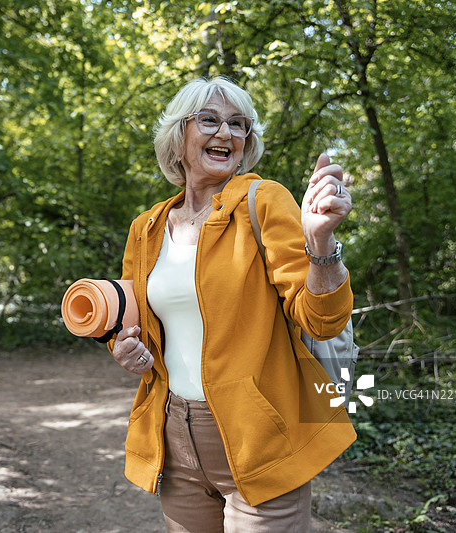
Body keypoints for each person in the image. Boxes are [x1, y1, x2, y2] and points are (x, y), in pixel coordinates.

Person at [109, 76, 357, 532]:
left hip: (258, 440)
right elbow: (132, 326)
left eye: (238, 125)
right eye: (209, 120)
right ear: (178, 135)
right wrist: (124, 348)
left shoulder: (262, 202)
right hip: (174, 441)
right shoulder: (146, 227)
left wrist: (321, 244)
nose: (226, 133)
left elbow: (320, 319)